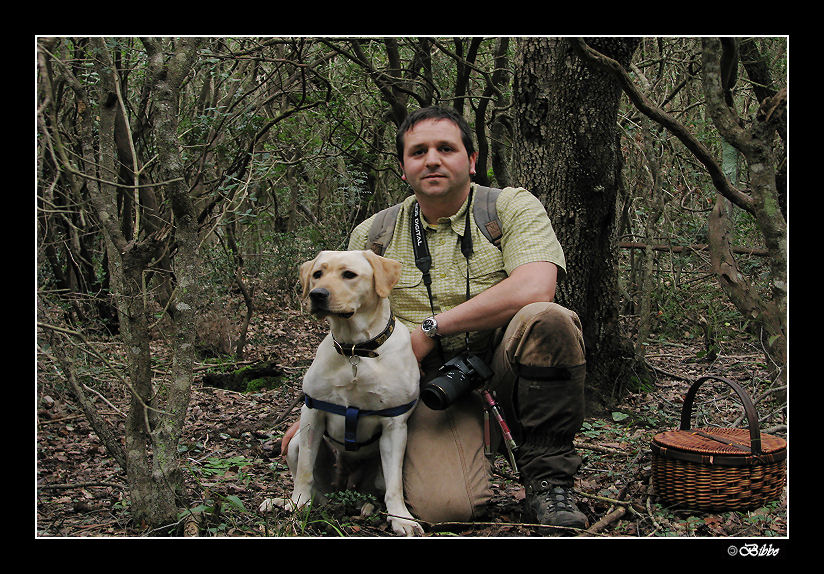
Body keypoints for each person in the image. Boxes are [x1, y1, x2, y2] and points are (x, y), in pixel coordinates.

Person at [285, 106, 589, 530]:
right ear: (403, 168)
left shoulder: (509, 208)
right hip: (425, 387)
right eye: (418, 152)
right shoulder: (374, 234)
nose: (432, 160)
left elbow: (536, 287)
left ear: (472, 159)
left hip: (502, 367)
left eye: (446, 148)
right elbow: (352, 330)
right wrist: (319, 407)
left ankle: (548, 480)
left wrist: (434, 327)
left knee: (548, 319)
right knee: (447, 508)